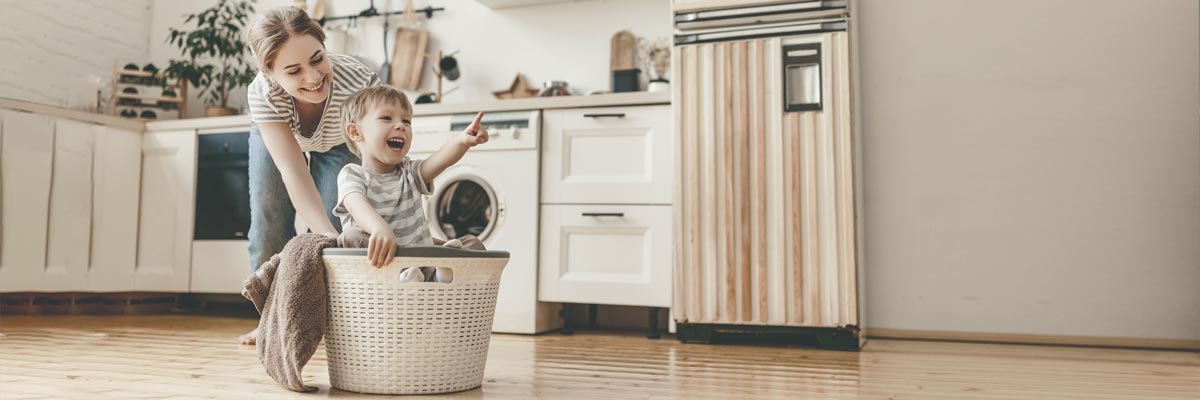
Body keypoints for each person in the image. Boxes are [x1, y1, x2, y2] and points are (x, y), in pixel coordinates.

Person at [239, 6, 378, 345]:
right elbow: (293, 172)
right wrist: (324, 235)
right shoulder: (263, 94)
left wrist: (337, 234)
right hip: (282, 134)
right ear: (271, 74)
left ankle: (332, 324)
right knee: (270, 219)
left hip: (341, 141)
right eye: (294, 70)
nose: (313, 77)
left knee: (342, 224)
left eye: (317, 59)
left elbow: (374, 156)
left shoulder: (360, 81)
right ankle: (272, 321)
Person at [333, 85, 489, 282]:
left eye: (406, 121)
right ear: (355, 132)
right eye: (386, 118)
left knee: (473, 244)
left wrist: (462, 142)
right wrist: (379, 228)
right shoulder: (352, 174)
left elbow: (440, 160)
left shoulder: (409, 172)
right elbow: (356, 205)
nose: (401, 126)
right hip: (381, 264)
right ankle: (410, 276)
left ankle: (442, 273)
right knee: (350, 238)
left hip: (421, 259)